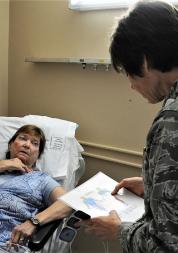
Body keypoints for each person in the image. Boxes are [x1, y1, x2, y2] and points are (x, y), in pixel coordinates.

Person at [79, 1, 178, 252]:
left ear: (144, 62)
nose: (132, 87)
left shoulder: (171, 122)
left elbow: (167, 245)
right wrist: (155, 186)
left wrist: (119, 231)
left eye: (129, 74)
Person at [0, 124, 71, 252]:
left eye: (35, 143)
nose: (27, 145)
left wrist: (34, 222)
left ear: (37, 155)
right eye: (23, 138)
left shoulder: (41, 179)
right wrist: (7, 164)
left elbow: (69, 202)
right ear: (11, 145)